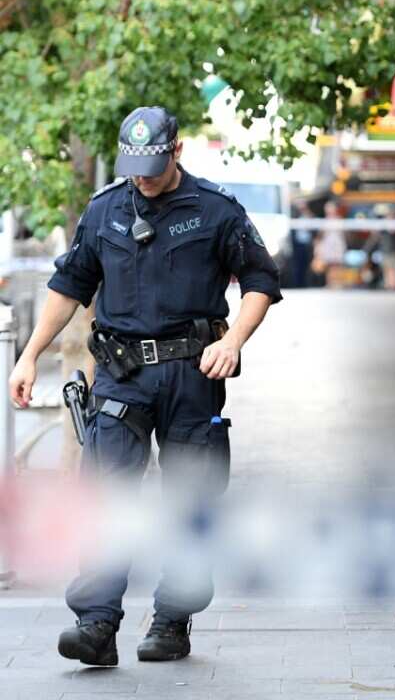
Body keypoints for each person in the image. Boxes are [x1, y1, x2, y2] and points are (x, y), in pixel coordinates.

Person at [7, 106, 282, 666]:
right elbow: (71, 284)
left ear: (177, 151)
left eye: (154, 164)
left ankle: (172, 621)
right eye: (135, 166)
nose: (144, 176)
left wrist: (234, 343)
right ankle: (97, 622)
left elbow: (260, 280)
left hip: (192, 373)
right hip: (120, 374)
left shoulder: (216, 209)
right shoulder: (105, 208)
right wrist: (30, 355)